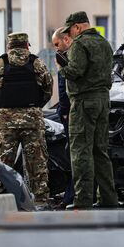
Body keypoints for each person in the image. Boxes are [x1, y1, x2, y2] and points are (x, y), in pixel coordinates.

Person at [58, 11, 118, 209]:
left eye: (70, 30)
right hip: (103, 100)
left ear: (77, 27)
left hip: (84, 102)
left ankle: (82, 201)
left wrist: (61, 67)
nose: (71, 34)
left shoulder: (79, 44)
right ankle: (108, 199)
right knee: (100, 152)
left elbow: (75, 72)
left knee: (81, 152)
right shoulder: (105, 43)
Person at [0, 32, 53, 208]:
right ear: (26, 45)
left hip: (6, 121)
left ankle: (1, 196)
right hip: (32, 121)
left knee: (4, 162)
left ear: (9, 46)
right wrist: (35, 105)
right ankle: (41, 199)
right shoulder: (37, 63)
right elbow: (48, 88)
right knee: (37, 162)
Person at [51, 27, 75, 205]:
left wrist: (64, 111)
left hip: (72, 113)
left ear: (66, 39)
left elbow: (63, 88)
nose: (56, 48)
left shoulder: (68, 58)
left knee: (72, 155)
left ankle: (71, 196)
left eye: (57, 44)